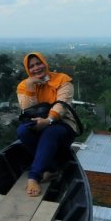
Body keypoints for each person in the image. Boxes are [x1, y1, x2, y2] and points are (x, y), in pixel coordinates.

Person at [16, 52, 78, 197]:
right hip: (37, 123)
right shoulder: (23, 85)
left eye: (39, 63)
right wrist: (30, 86)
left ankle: (34, 177)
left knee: (50, 132)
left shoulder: (62, 80)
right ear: (28, 69)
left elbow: (62, 105)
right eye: (31, 66)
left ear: (45, 63)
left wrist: (48, 120)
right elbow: (27, 110)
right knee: (22, 131)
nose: (36, 68)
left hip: (63, 124)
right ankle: (52, 168)